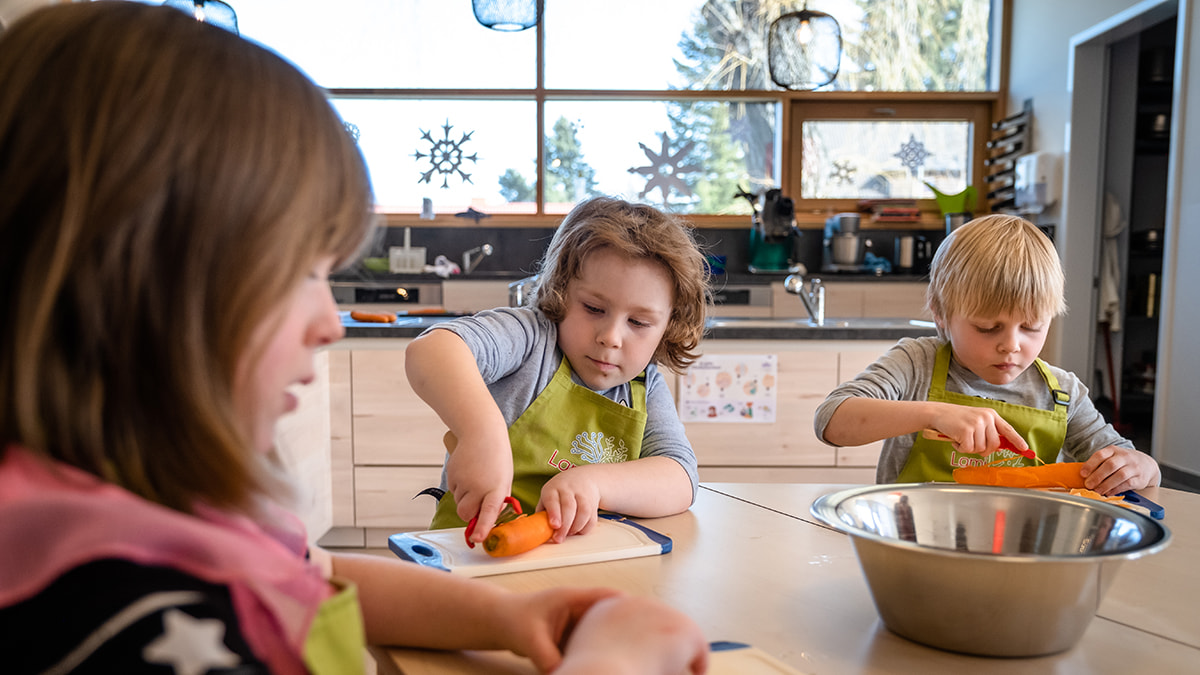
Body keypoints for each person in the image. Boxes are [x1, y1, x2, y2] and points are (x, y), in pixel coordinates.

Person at [0, 4, 709, 674]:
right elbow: (437, 350)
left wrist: (506, 620)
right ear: (131, 283)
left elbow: (315, 574)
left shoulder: (181, 507)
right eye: (297, 273)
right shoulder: (127, 614)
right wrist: (607, 663)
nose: (330, 322)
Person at [406, 196, 709, 543]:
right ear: (562, 291)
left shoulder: (645, 386)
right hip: (471, 561)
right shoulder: (529, 338)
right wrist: (482, 434)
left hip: (579, 567)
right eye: (594, 308)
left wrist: (593, 484)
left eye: (638, 322)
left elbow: (681, 477)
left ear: (667, 327)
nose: (610, 337)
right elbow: (432, 349)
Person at [814, 214, 1160, 495]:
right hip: (913, 543)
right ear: (940, 313)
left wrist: (1142, 467)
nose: (1011, 344)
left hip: (1024, 551)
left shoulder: (1062, 393)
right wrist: (933, 414)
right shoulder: (916, 364)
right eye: (986, 327)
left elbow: (1124, 462)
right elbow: (831, 421)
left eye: (1031, 327)